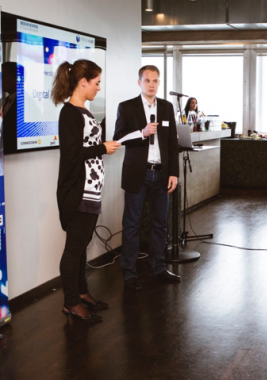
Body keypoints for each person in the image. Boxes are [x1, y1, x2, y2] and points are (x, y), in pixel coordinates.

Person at [53, 59, 120, 323]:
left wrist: (102, 146)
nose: (98, 88)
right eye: (96, 83)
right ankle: (70, 303)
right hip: (77, 193)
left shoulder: (84, 111)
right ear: (83, 82)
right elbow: (71, 155)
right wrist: (102, 148)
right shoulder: (69, 113)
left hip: (91, 191)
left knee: (81, 247)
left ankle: (81, 293)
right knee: (73, 249)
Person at [114, 65, 180, 291]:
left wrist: (174, 173)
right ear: (139, 82)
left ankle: (158, 268)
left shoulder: (167, 107)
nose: (151, 85)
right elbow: (119, 138)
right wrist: (142, 133)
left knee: (160, 224)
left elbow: (172, 142)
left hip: (161, 174)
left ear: (159, 83)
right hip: (137, 174)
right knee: (131, 225)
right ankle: (130, 274)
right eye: (147, 80)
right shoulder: (127, 107)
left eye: (155, 81)